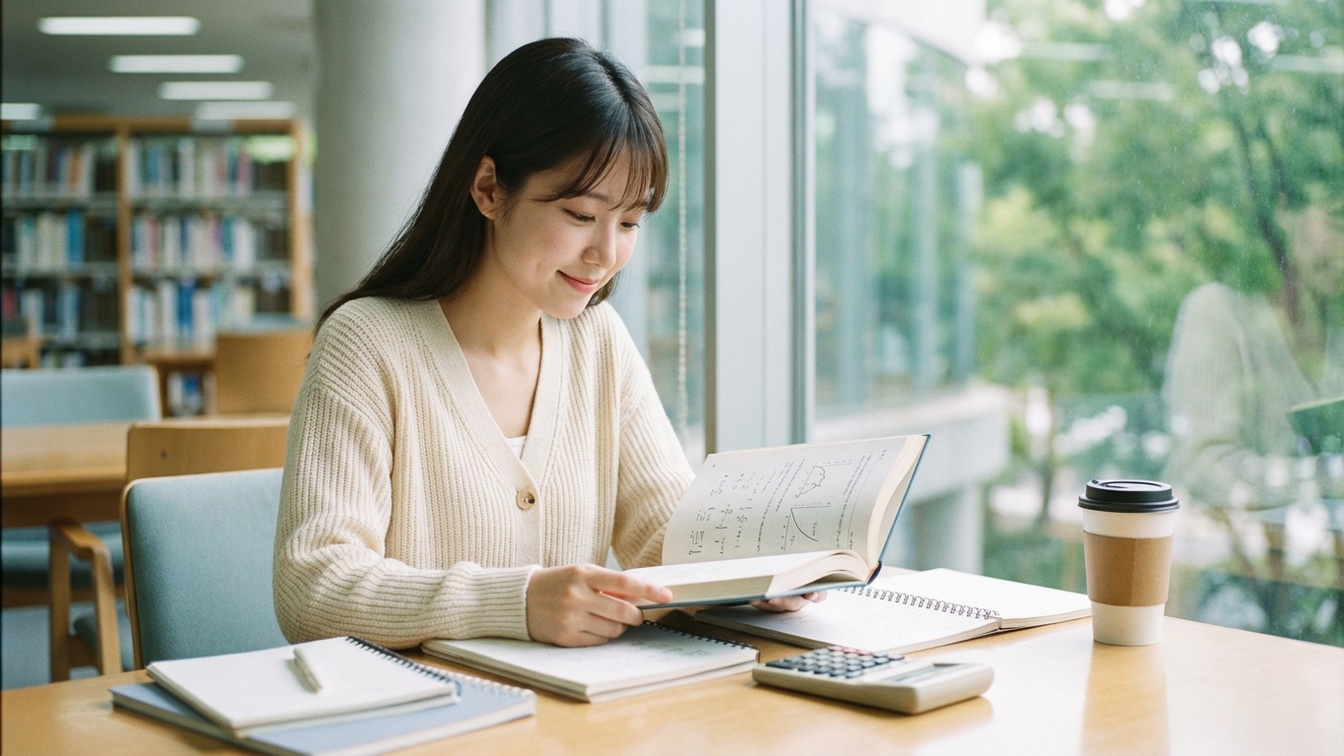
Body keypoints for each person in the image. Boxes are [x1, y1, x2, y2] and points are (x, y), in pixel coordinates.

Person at [273, 37, 817, 651]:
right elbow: (312, 588)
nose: (607, 254)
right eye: (581, 215)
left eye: (631, 222)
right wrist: (517, 602)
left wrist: (748, 572)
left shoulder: (597, 341)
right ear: (488, 189)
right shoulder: (367, 345)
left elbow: (662, 532)